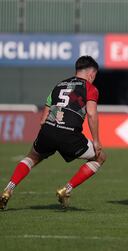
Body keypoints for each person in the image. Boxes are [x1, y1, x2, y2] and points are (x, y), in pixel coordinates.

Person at [0, 56, 106, 210]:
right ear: (91, 74)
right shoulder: (90, 88)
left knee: (32, 157)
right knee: (100, 157)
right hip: (69, 135)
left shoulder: (59, 85)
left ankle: (8, 189)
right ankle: (65, 190)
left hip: (48, 130)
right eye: (94, 76)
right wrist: (96, 140)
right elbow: (91, 114)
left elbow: (43, 118)